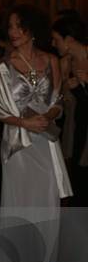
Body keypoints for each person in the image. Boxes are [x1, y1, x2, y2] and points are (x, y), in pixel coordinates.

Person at [0, 4, 73, 262]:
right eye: (9, 27)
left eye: (17, 26)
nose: (12, 32)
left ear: (31, 29)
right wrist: (26, 122)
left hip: (46, 144)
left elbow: (59, 101)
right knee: (19, 206)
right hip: (18, 147)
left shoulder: (51, 61)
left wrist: (47, 118)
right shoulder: (3, 67)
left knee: (46, 206)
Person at [51, 16, 88, 205]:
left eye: (56, 39)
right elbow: (61, 101)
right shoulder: (65, 64)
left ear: (70, 40)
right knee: (73, 185)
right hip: (74, 129)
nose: (53, 43)